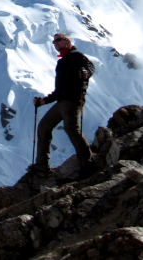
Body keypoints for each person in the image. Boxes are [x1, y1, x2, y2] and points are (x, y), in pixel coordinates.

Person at [29, 33, 96, 177]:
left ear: (67, 42)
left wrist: (86, 73)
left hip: (72, 99)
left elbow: (90, 66)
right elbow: (59, 90)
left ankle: (87, 161)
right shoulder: (63, 61)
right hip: (62, 101)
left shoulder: (75, 55)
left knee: (71, 128)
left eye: (58, 40)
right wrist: (44, 101)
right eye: (54, 42)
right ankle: (41, 165)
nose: (55, 43)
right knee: (44, 126)